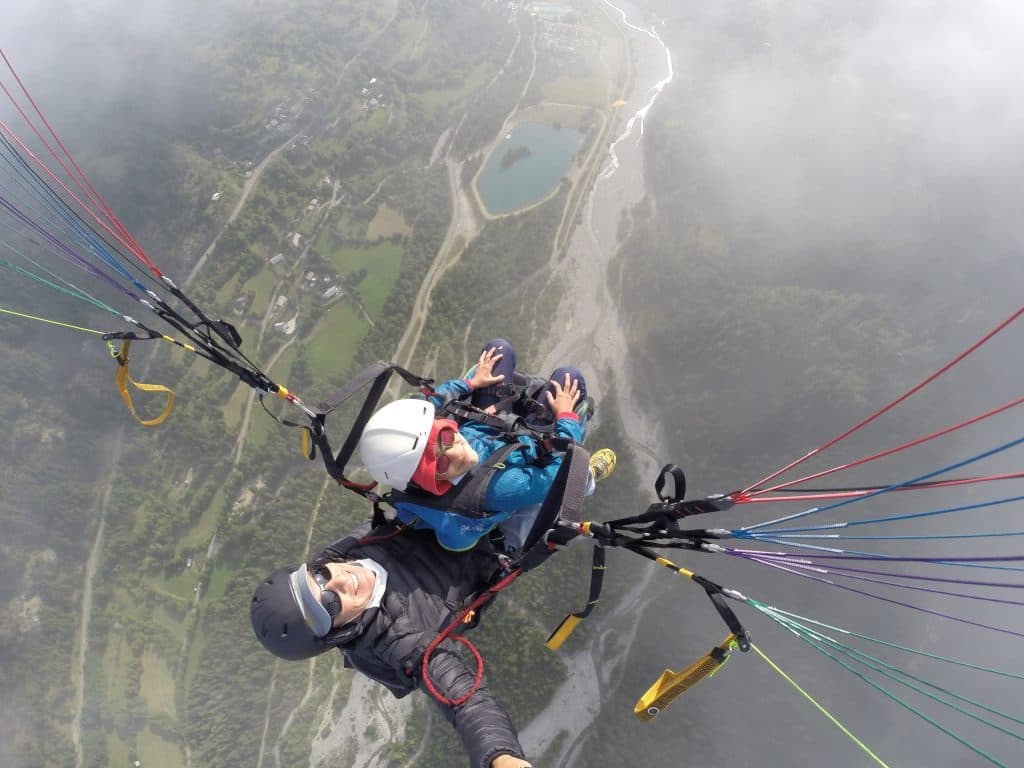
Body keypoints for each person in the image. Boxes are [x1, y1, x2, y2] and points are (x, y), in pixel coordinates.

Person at [250, 521, 534, 768]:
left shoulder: (336, 557)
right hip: (499, 540)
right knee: (571, 478)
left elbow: (389, 515)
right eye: (330, 604)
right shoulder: (401, 641)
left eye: (319, 576)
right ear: (336, 635)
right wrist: (500, 756)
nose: (340, 580)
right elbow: (465, 702)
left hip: (463, 509)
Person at [358, 338, 617, 551]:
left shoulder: (409, 469)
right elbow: (564, 475)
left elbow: (432, 404)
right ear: (431, 481)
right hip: (520, 453)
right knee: (570, 378)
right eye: (442, 462)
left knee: (498, 349)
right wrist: (567, 417)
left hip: (487, 431)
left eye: (445, 437)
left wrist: (470, 384)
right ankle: (592, 479)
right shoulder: (500, 488)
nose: (457, 451)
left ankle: (463, 422)